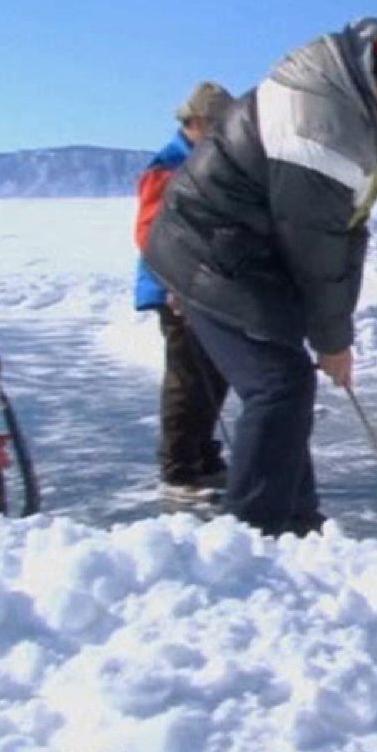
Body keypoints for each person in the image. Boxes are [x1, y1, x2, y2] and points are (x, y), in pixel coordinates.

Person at [144, 18, 377, 537]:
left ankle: (296, 522)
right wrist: (333, 341)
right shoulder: (328, 133)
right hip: (212, 249)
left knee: (282, 381)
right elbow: (317, 248)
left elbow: (344, 230)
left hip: (231, 249)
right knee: (280, 385)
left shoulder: (348, 105)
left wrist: (331, 334)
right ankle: (252, 538)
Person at [133, 81, 234, 501]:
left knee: (215, 373)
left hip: (206, 289)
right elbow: (151, 232)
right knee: (187, 378)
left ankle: (204, 455)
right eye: (216, 126)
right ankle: (178, 469)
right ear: (194, 123)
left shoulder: (209, 163)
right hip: (176, 290)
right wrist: (176, 282)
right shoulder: (170, 167)